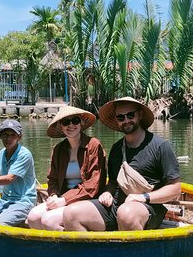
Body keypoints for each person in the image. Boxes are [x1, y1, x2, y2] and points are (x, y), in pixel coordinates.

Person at [63, 97, 181, 231]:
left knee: (126, 213)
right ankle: (93, 252)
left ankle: (134, 251)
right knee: (70, 214)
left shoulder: (160, 146)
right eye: (120, 117)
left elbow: (175, 188)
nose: (126, 120)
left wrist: (144, 197)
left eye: (130, 115)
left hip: (149, 207)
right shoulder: (117, 149)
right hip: (116, 206)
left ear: (140, 115)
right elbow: (113, 182)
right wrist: (107, 193)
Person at [26, 106, 106, 231]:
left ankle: (69, 248)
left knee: (48, 220)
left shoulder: (93, 145)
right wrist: (53, 196)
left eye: (75, 120)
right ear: (61, 127)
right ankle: (48, 248)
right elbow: (52, 179)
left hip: (87, 200)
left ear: (81, 123)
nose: (71, 125)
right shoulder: (58, 149)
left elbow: (92, 186)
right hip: (62, 198)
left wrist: (64, 200)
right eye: (65, 122)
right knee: (33, 217)